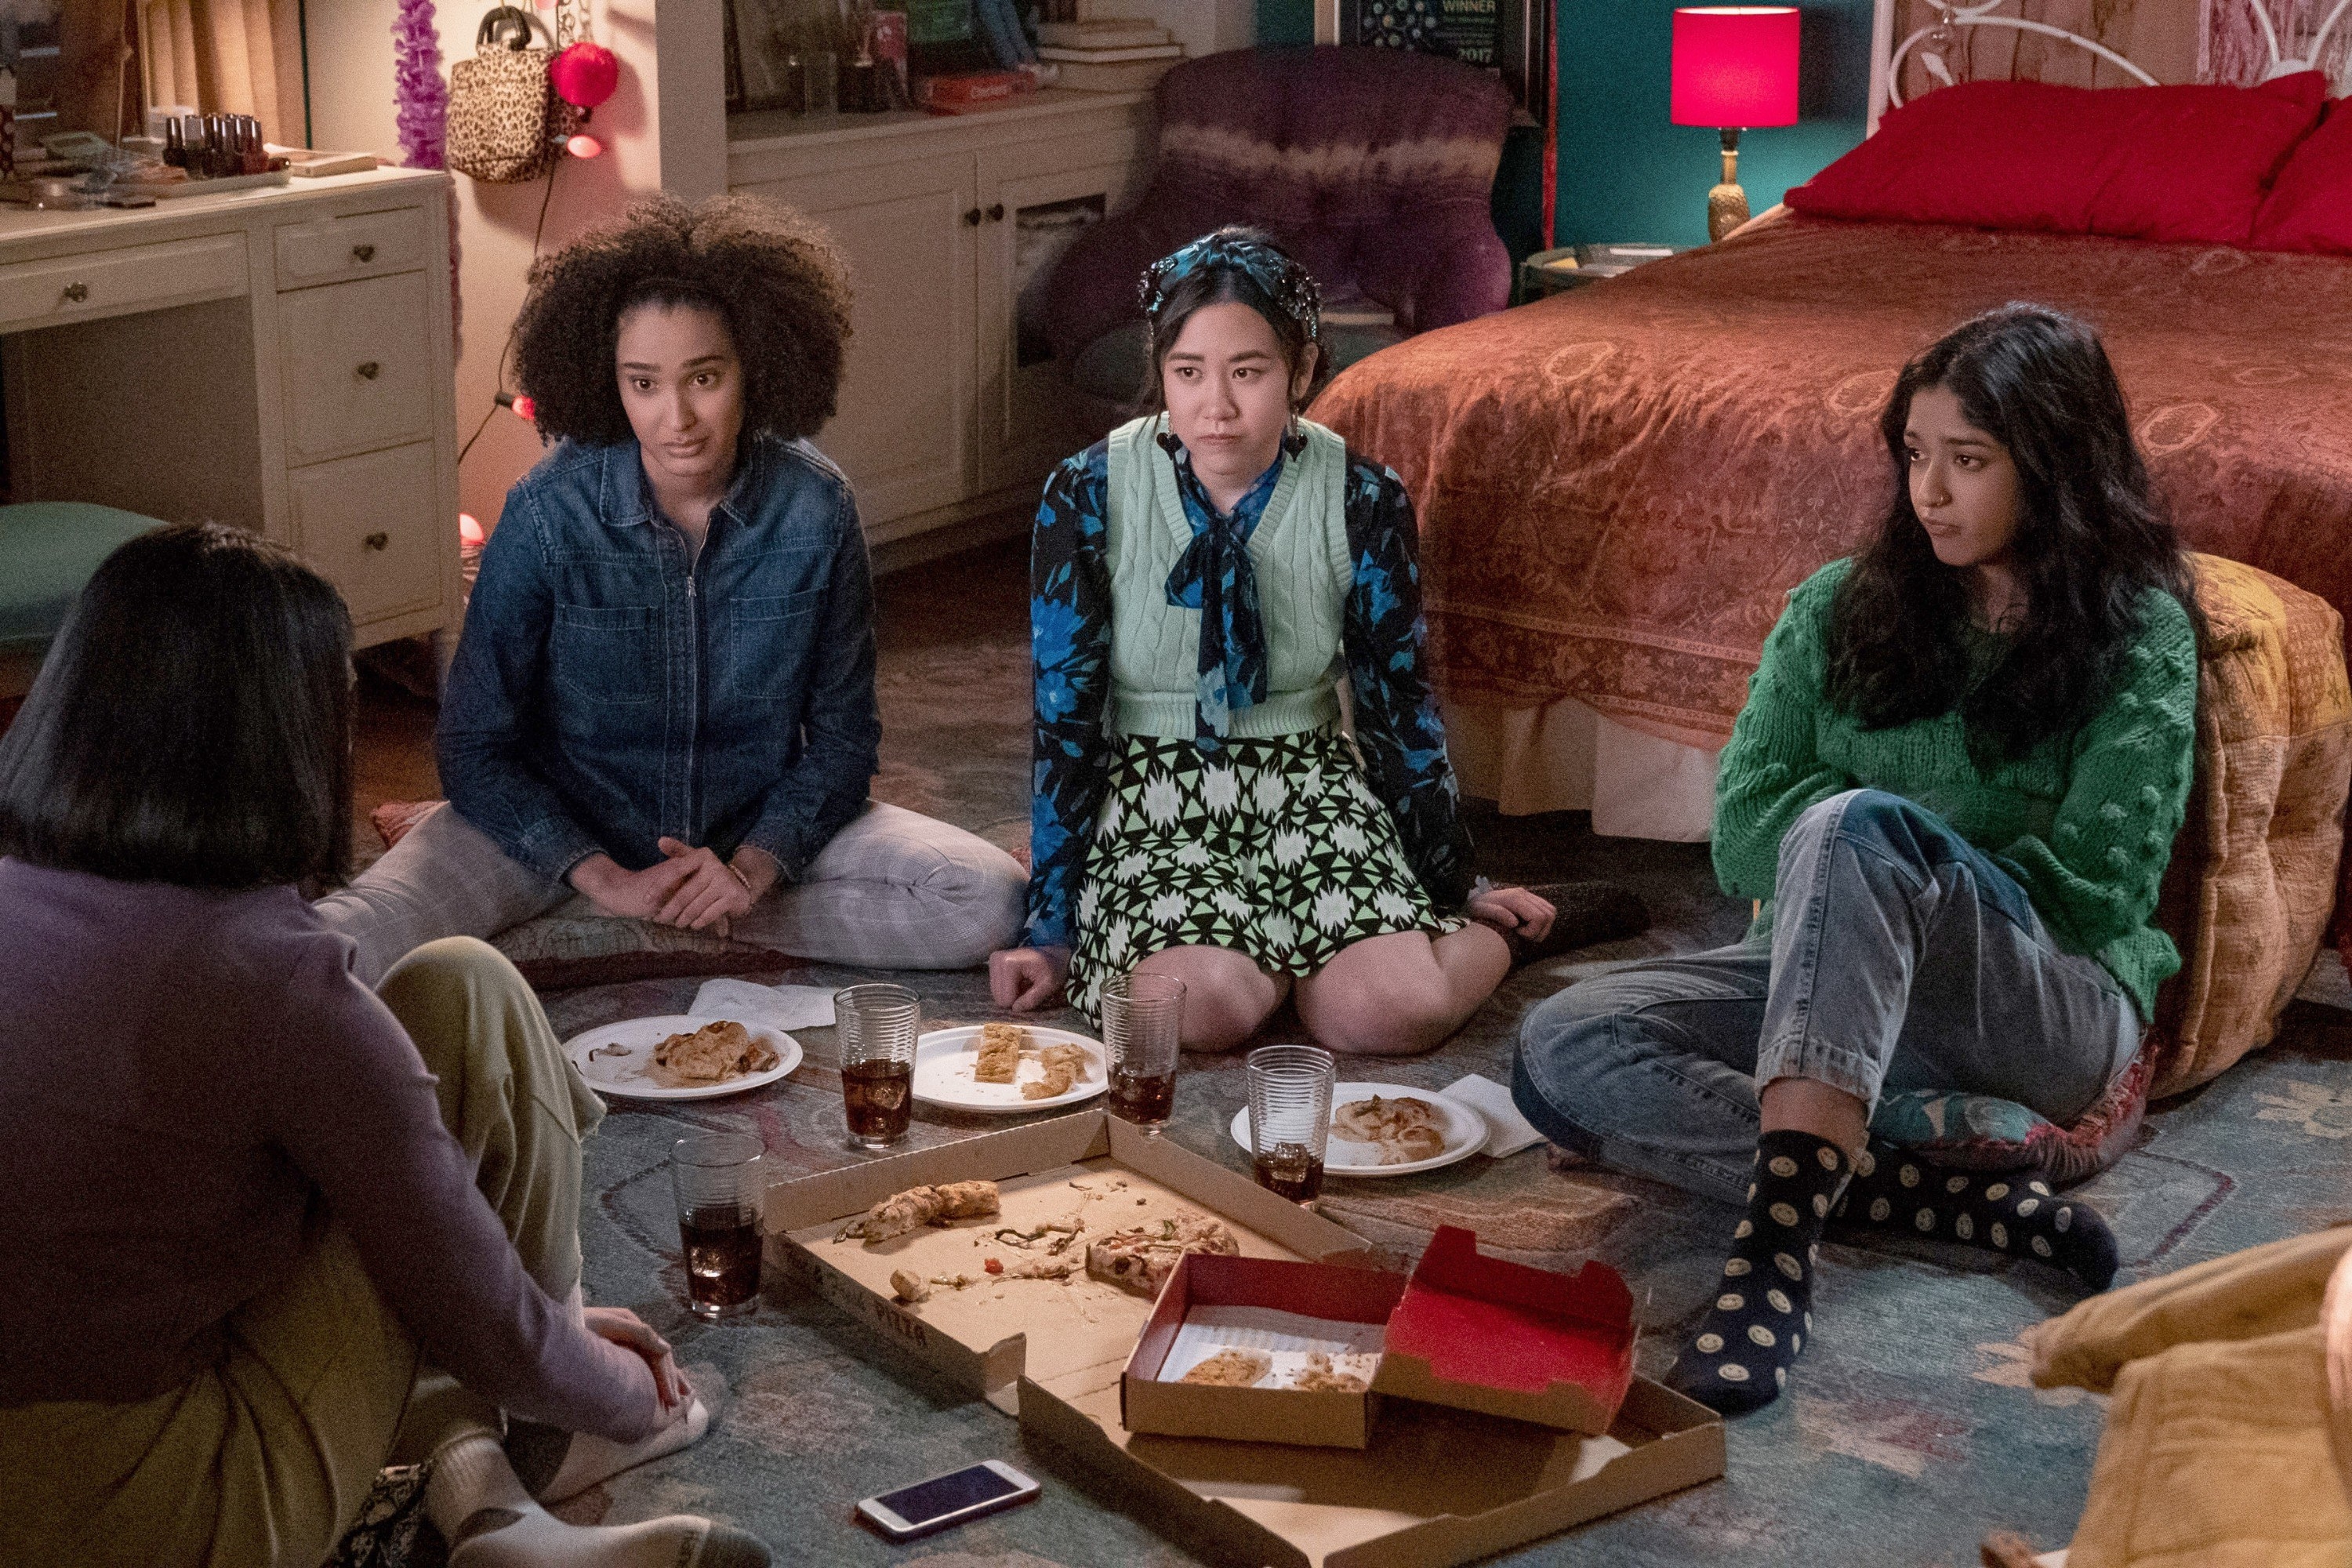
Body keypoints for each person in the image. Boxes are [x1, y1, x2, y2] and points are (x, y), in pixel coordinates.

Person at [0, 524, 765, 1568]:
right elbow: (472, 1308)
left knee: (451, 992)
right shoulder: (276, 983)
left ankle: (493, 1510)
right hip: (153, 1518)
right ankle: (551, 1444)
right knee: (465, 1040)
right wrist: (627, 1392)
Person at [1512, 304, 2202, 1414]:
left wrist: (1897, 853)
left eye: (1968, 462)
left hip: (2040, 1001)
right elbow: (1741, 836)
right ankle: (1931, 1192)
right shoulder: (1838, 609)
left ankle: (1772, 1268)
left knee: (1849, 832)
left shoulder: (2141, 634)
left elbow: (2097, 887)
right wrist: (1887, 860)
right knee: (1558, 1047)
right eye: (1916, 456)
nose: (1929, 492)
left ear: (2057, 465)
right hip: (1824, 991)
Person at [318, 194, 1026, 985]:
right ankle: (624, 914)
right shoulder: (548, 512)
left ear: (754, 369)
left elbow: (841, 743)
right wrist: (599, 873)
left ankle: (631, 928)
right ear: (607, 381)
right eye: (644, 383)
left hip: (748, 841)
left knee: (987, 898)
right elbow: (473, 744)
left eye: (705, 377)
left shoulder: (816, 509)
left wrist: (755, 866)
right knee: (336, 946)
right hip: (554, 840)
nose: (676, 417)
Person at [989, 227, 1646, 1053]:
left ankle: (1504, 938)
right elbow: (1067, 718)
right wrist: (1051, 924)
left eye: (1249, 371)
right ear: (1161, 372)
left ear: (1301, 370)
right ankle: (1273, 966)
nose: (1216, 406)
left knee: (1390, 1016)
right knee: (1198, 1010)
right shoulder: (1085, 493)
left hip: (1309, 780)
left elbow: (1397, 707)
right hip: (1155, 791)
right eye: (1188, 373)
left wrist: (1455, 880)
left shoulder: (1361, 496)